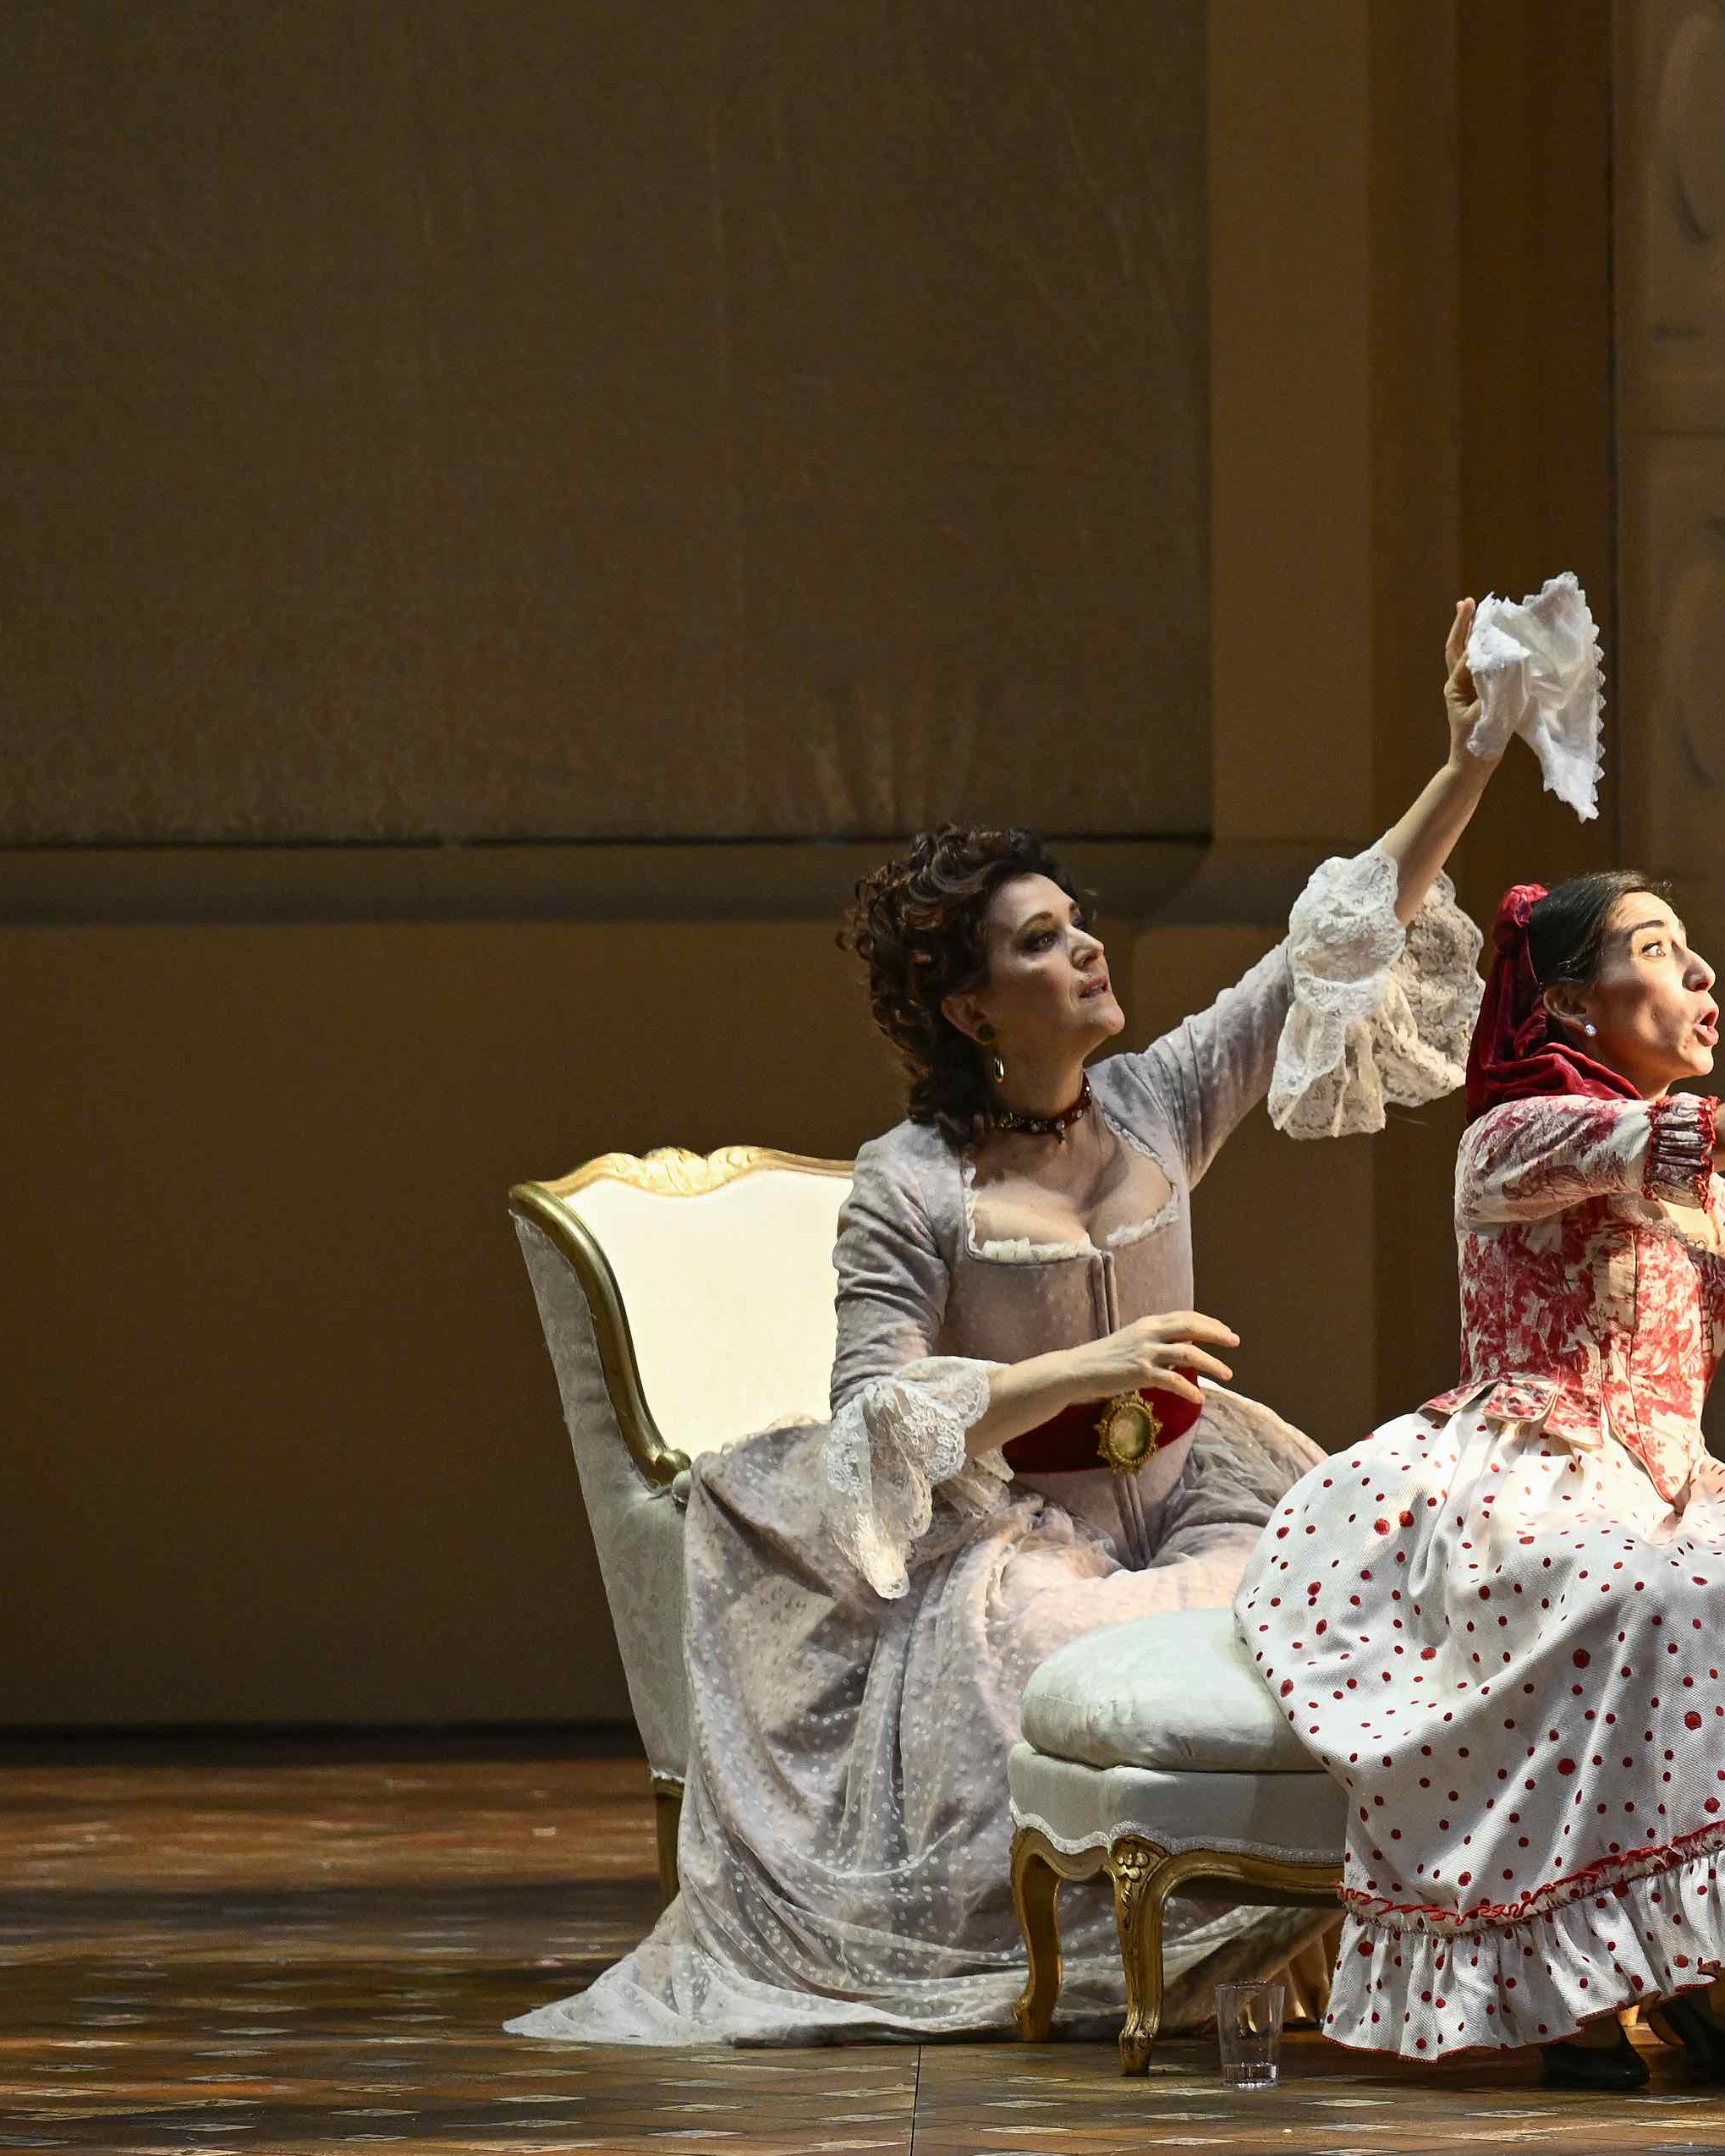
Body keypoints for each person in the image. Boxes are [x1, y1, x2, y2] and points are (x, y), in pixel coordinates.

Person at [516, 608, 1502, 2045]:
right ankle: (1126, 1946)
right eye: (1044, 940)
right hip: (1019, 1540)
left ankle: (1345, 1926)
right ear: (974, 1007)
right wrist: (1076, 1369)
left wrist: (1469, 756)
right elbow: (874, 1414)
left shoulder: (1157, 1099)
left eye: (1077, 920)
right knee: (1064, 1639)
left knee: (1366, 1588)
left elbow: (1333, 944)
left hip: (1196, 1493)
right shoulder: (910, 1183)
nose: (1089, 946)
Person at [1239, 874, 1725, 2089]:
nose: (1702, 972)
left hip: (1667, 1486)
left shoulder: (1699, 1199)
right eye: (1660, 949)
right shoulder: (1516, 1139)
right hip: (1524, 1478)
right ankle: (1577, 1986)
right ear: (1571, 1005)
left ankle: (1716, 1971)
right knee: (1642, 1597)